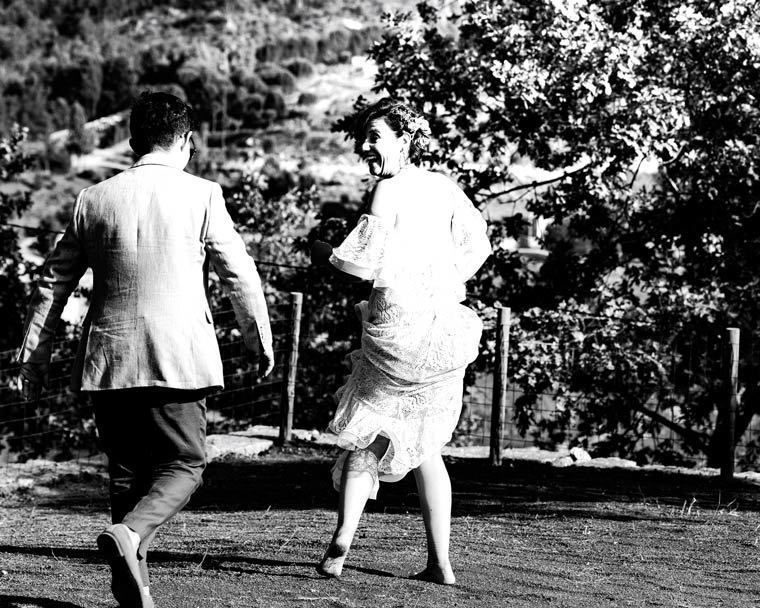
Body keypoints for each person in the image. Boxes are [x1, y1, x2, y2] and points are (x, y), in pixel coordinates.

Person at [16, 92, 274, 608]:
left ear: (133, 141)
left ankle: (138, 592)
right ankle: (131, 537)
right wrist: (257, 338)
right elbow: (239, 275)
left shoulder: (93, 199)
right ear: (187, 139)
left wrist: (33, 357)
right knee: (186, 464)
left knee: (127, 475)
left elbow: (52, 284)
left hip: (109, 357)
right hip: (178, 354)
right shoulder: (203, 195)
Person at [312, 98, 491, 584]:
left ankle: (343, 539)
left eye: (374, 137)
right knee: (427, 447)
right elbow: (478, 245)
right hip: (440, 326)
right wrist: (442, 278)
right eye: (362, 140)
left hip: (395, 324)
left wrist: (326, 254)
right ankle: (440, 563)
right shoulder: (445, 187)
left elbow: (361, 265)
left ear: (405, 139)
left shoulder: (387, 191)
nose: (364, 148)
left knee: (367, 434)